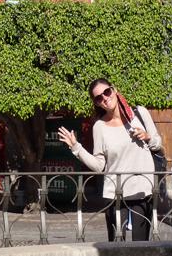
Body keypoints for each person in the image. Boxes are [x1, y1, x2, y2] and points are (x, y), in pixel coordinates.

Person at [58, 78, 163, 241]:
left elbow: (158, 144)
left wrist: (148, 138)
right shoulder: (99, 127)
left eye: (106, 92)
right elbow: (99, 166)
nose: (105, 98)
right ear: (97, 103)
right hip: (114, 192)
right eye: (99, 98)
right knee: (115, 247)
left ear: (114, 90)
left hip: (142, 188)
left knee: (140, 247)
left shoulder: (139, 114)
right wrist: (76, 147)